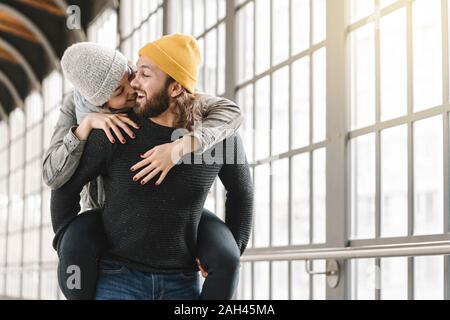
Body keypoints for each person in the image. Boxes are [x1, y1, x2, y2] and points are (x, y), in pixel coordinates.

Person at [44, 39, 252, 299]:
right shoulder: (113, 129)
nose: (133, 83)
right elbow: (63, 187)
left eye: (143, 74)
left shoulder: (217, 134)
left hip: (183, 284)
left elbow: (242, 193)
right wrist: (67, 241)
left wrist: (225, 253)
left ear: (175, 88)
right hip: (117, 279)